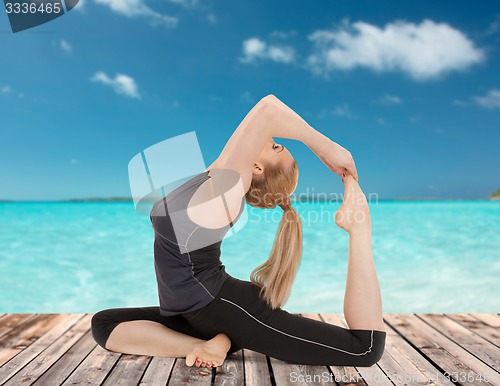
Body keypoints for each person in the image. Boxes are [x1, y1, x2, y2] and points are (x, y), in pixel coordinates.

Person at [91, 94, 386, 368]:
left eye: (275, 147)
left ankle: (360, 230)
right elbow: (260, 119)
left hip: (226, 308)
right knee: (104, 324)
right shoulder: (214, 175)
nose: (273, 138)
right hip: (194, 311)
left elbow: (268, 109)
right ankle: (209, 342)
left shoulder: (227, 189)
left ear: (256, 168)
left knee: (364, 349)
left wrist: (327, 148)